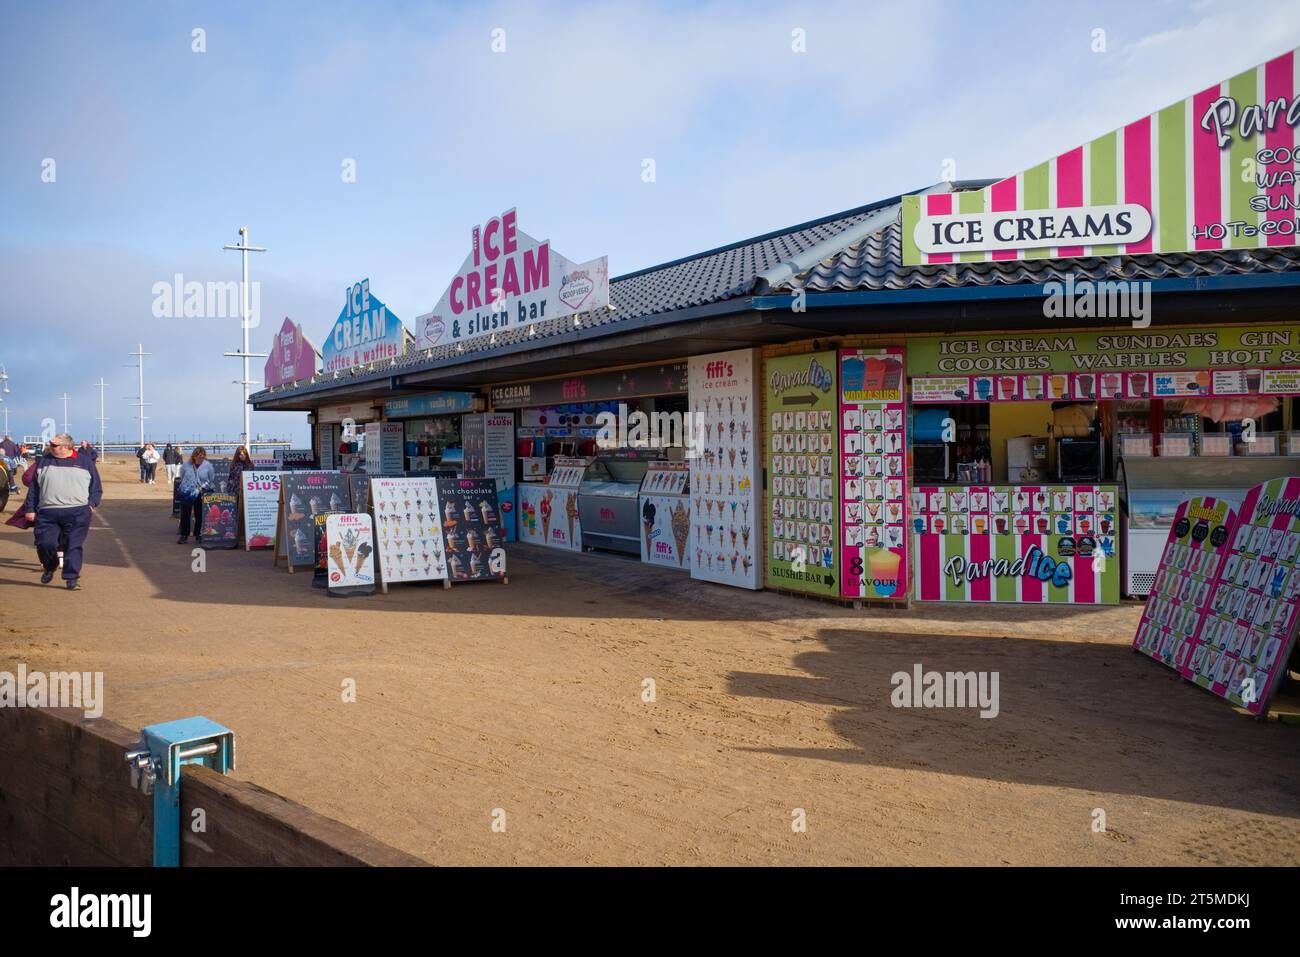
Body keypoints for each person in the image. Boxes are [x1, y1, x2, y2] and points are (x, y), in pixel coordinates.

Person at [23, 433, 101, 591]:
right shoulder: (44, 461)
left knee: (73, 545)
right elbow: (34, 488)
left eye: (54, 445)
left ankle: (71, 578)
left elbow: (96, 487)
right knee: (44, 544)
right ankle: (50, 566)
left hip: (78, 512)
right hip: (47, 512)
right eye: (50, 445)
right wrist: (30, 509)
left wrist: (91, 505)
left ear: (66, 447)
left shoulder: (84, 461)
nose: (50, 447)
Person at [177, 446, 214, 544]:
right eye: (198, 457)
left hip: (200, 493)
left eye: (202, 457)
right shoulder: (185, 466)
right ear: (194, 456)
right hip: (186, 492)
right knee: (185, 515)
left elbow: (210, 479)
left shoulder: (208, 466)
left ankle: (198, 534)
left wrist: (202, 487)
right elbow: (182, 476)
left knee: (199, 514)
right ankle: (184, 535)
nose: (200, 459)